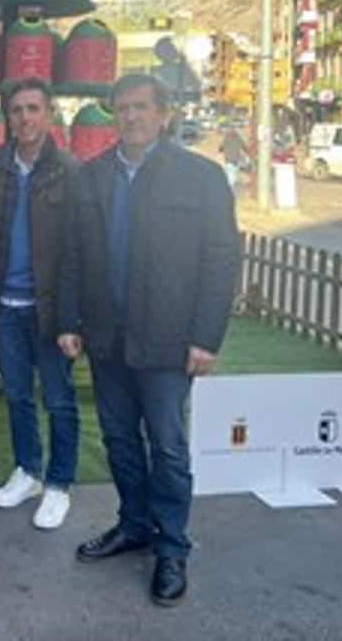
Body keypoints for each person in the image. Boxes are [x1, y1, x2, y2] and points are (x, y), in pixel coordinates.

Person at [57, 74, 240, 607]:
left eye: (140, 108)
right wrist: (70, 321)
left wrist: (206, 337)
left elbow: (221, 260)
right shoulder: (91, 179)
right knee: (118, 440)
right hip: (107, 339)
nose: (130, 117)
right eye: (122, 109)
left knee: (166, 445)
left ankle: (172, 548)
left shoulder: (200, 178)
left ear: (164, 115)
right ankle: (134, 524)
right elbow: (74, 255)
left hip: (168, 341)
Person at [0, 77, 81, 531]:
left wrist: (72, 318)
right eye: (17, 110)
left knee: (58, 399)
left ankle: (59, 485)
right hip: (7, 303)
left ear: (50, 113)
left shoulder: (69, 171)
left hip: (51, 310)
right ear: (8, 117)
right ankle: (28, 471)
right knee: (17, 394)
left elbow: (79, 250)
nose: (25, 118)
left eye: (33, 109)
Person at [220, 126, 248, 192]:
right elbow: (244, 146)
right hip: (236, 158)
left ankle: (230, 187)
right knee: (233, 172)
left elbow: (221, 147)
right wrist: (247, 152)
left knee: (231, 172)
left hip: (229, 158)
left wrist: (222, 149)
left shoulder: (226, 138)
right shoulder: (238, 138)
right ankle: (231, 187)